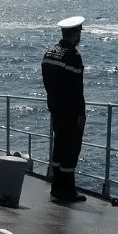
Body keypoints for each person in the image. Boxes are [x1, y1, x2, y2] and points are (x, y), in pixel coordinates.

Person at [41, 16, 87, 204]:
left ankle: (56, 187)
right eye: (79, 32)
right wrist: (81, 114)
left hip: (55, 108)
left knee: (59, 148)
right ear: (75, 33)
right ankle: (67, 191)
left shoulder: (50, 52)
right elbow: (77, 90)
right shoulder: (72, 56)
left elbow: (48, 83)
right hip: (69, 112)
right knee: (70, 149)